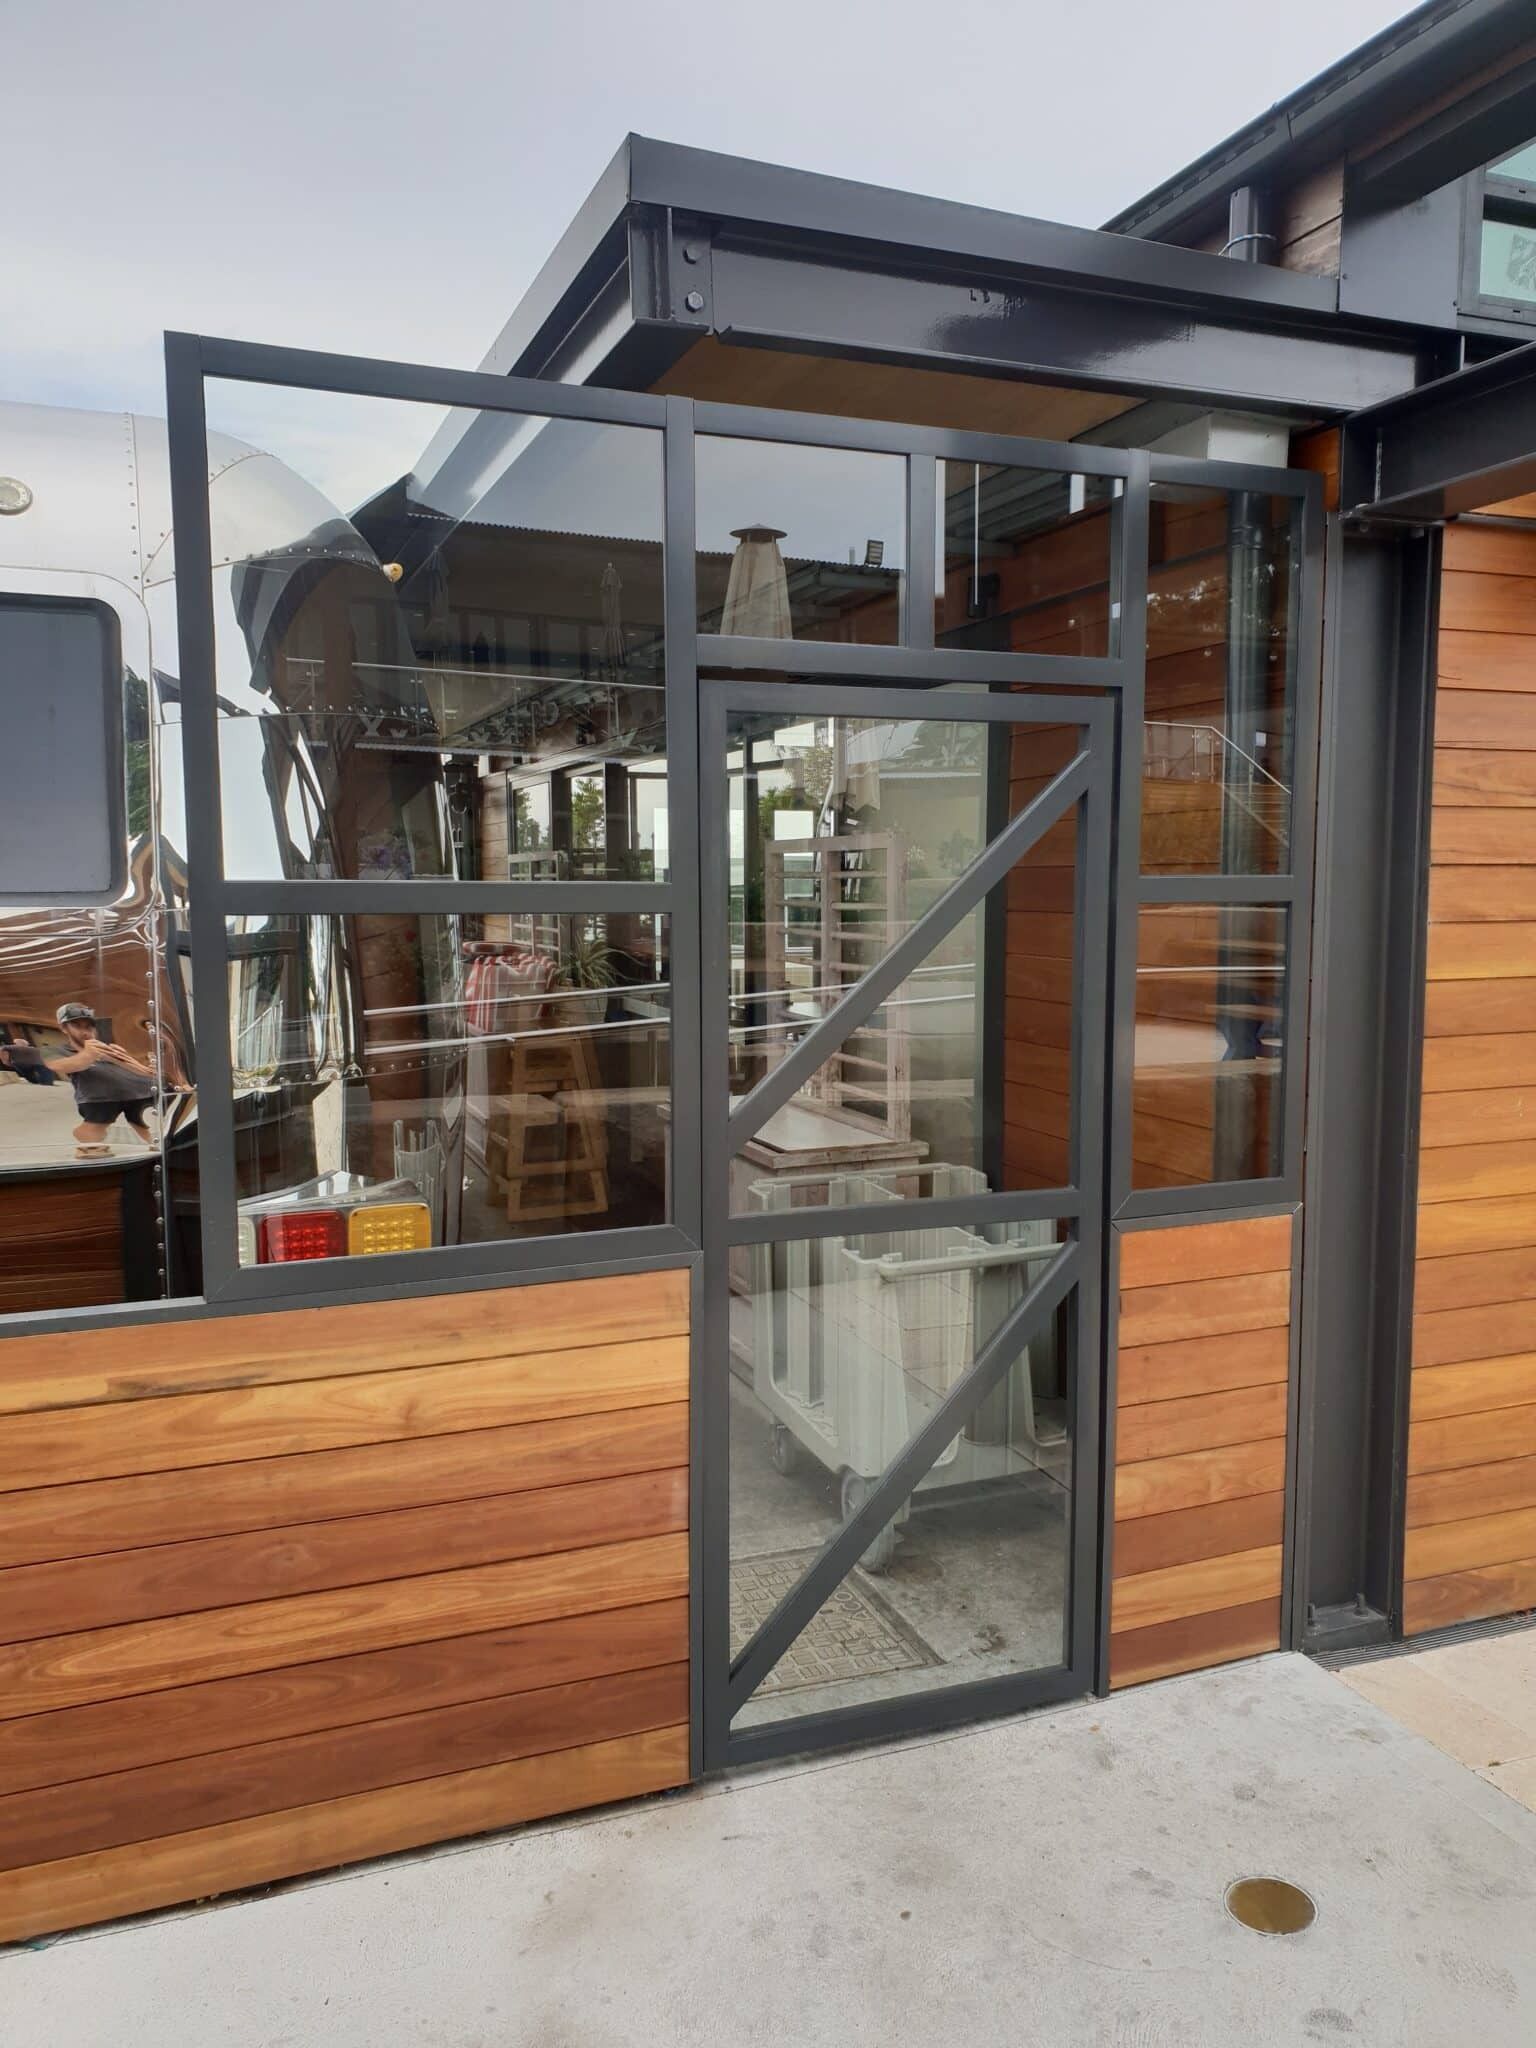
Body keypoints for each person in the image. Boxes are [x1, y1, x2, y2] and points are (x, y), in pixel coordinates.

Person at [44, 1004, 156, 1159]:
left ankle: (157, 1143)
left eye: (89, 1026)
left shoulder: (109, 1048)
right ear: (64, 1028)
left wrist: (146, 1069)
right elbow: (57, 1065)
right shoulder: (56, 1051)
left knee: (142, 1121)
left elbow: (135, 1067)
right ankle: (87, 1137)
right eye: (77, 1025)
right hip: (101, 1099)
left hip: (139, 1092)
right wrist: (88, 1054)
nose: (85, 1031)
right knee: (98, 1123)